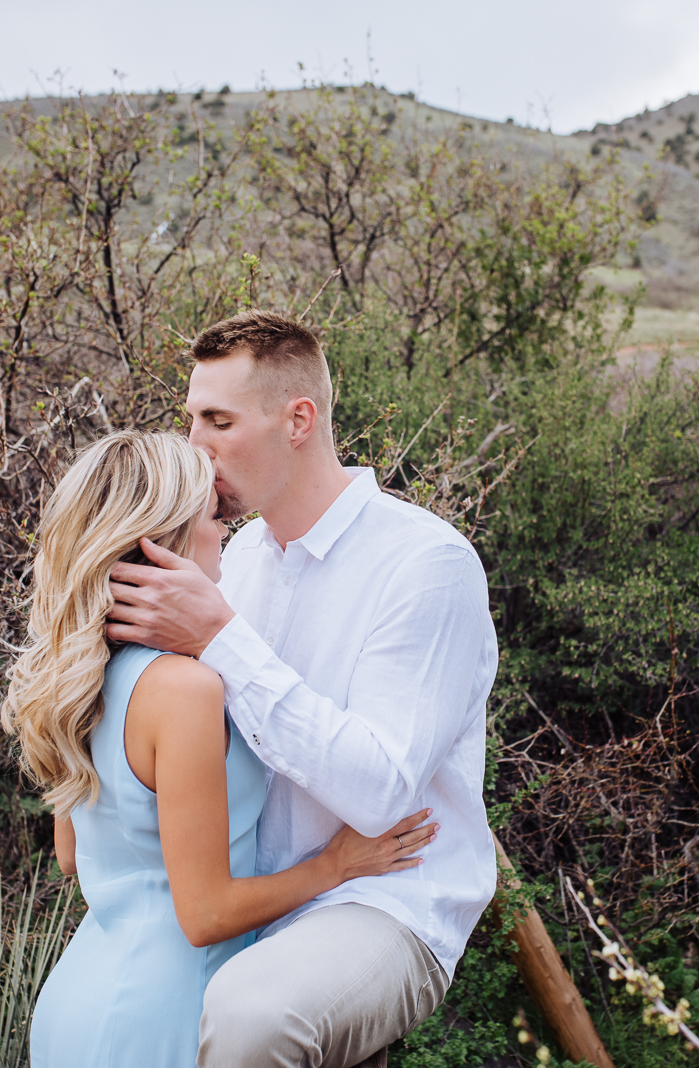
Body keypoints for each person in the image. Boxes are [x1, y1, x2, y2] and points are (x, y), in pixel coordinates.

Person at [105, 311, 499, 1067]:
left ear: (298, 420)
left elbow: (380, 792)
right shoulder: (233, 560)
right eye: (191, 420)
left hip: (384, 900)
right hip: (249, 898)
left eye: (219, 421)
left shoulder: (426, 565)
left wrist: (220, 637)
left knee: (254, 1015)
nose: (195, 446)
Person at [1, 429, 436, 1068]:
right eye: (213, 518)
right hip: (165, 1012)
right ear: (165, 542)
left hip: (79, 1001)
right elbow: (205, 915)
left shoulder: (79, 677)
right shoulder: (184, 689)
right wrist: (334, 865)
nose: (225, 535)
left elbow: (72, 857)